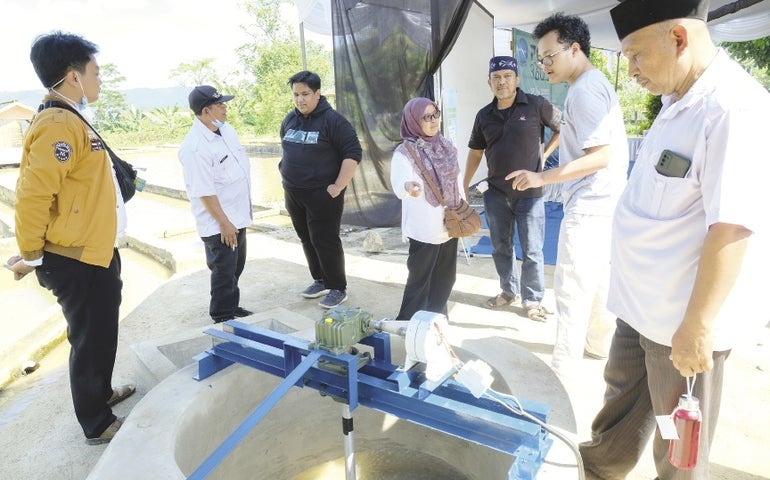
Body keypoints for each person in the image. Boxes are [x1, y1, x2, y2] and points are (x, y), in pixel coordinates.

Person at [578, 1, 770, 478]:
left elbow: (732, 227)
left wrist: (698, 328)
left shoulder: (731, 108)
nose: (632, 70)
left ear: (679, 39)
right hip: (640, 309)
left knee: (676, 446)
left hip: (680, 326)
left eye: (637, 56)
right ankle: (598, 471)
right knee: (617, 420)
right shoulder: (676, 101)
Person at [4, 31, 135, 445]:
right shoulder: (58, 122)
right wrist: (32, 255)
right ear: (73, 76)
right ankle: (95, 422)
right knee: (89, 338)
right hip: (76, 259)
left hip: (95, 251)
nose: (100, 80)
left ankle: (103, 393)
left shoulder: (72, 117)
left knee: (102, 331)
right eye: (95, 72)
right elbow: (33, 196)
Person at [506, 13, 629, 378]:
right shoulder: (592, 84)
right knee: (599, 280)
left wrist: (540, 176)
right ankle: (596, 345)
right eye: (540, 59)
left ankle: (563, 366)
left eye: (549, 56)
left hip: (592, 203)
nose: (544, 65)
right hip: (606, 201)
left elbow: (600, 156)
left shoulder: (585, 90)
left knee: (571, 284)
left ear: (575, 48)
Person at [465, 56, 561, 321]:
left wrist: (543, 157)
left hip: (529, 195)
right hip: (495, 194)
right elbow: (475, 153)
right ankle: (508, 291)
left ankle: (532, 300)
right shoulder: (484, 115)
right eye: (496, 77)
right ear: (489, 82)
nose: (502, 82)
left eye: (507, 76)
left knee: (532, 250)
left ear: (517, 79)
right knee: (500, 247)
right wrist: (464, 184)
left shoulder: (535, 105)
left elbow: (562, 129)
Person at [279, 71, 362, 309]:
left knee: (325, 239)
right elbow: (286, 146)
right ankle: (320, 279)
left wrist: (338, 186)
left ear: (317, 93)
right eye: (296, 94)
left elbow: (353, 153)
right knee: (306, 238)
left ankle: (337, 287)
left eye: (305, 94)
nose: (300, 99)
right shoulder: (290, 120)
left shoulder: (334, 121)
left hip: (323, 194)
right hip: (294, 192)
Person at [179, 85, 254, 323]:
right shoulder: (194, 148)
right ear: (206, 112)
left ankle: (232, 306)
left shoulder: (227, 130)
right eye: (219, 104)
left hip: (238, 215)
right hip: (219, 222)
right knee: (223, 271)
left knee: (236, 267)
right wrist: (224, 223)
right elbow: (204, 191)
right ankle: (222, 317)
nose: (225, 108)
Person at [390, 97, 462, 320]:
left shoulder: (446, 145)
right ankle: (408, 324)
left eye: (436, 114)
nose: (433, 121)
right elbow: (398, 184)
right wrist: (407, 187)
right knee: (420, 280)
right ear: (413, 120)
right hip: (424, 228)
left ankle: (435, 320)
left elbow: (457, 179)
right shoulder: (405, 152)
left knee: (446, 278)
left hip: (449, 222)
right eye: (426, 117)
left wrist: (463, 207)